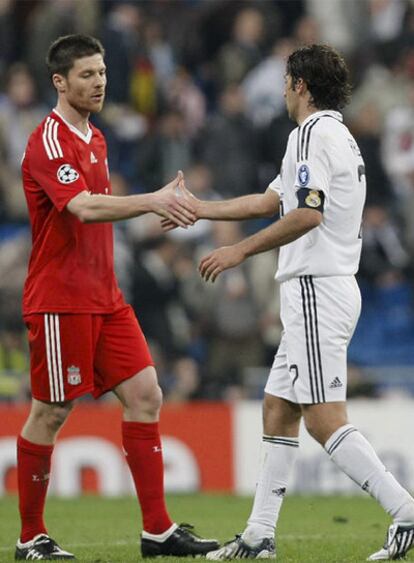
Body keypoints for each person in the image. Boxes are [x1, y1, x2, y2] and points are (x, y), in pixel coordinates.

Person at [172, 44, 414, 561]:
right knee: (278, 408)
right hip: (324, 286)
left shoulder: (308, 134)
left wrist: (238, 249)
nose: (282, 90)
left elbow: (306, 214)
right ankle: (259, 535)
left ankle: (406, 511)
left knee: (323, 419)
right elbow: (272, 200)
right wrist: (202, 211)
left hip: (315, 286)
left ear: (300, 85)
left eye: (286, 81)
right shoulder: (337, 135)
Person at [15, 34, 219, 561]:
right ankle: (30, 537)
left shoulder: (96, 138)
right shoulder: (49, 142)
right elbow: (82, 209)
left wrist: (159, 215)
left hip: (106, 296)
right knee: (52, 411)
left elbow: (104, 215)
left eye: (102, 72)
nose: (100, 81)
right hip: (62, 300)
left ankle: (157, 531)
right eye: (87, 74)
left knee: (147, 393)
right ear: (60, 82)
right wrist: (153, 199)